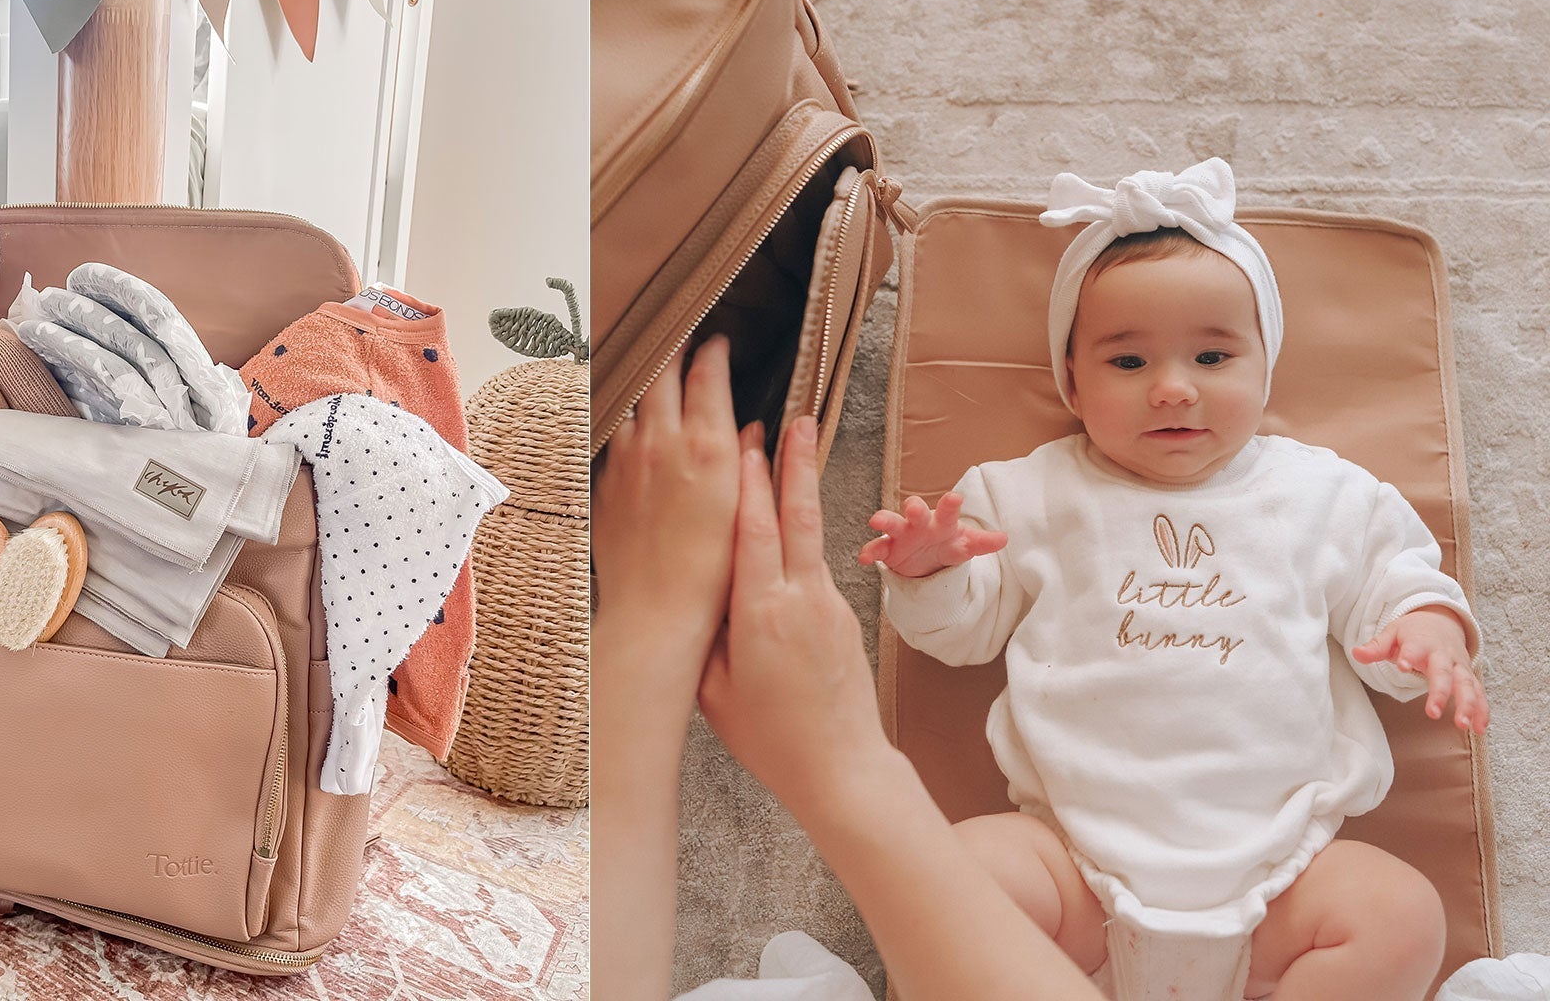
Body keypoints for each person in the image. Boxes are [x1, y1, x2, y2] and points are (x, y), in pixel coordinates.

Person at [861, 159, 1489, 1001]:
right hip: (1073, 872)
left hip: (1283, 880)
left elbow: (1392, 586)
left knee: (1400, 914)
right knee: (953, 882)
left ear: (1265, 366)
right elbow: (960, 635)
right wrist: (931, 572)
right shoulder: (1025, 494)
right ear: (1071, 381)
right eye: (1127, 363)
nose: (1173, 389)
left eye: (1213, 354)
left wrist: (1423, 632)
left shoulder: (1324, 496)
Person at [591, 333, 1104, 1000]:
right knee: (985, 868)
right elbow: (964, 616)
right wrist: (844, 756)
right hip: (1079, 861)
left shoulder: (1287, 481)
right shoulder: (1041, 490)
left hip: (1266, 853)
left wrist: (648, 624)